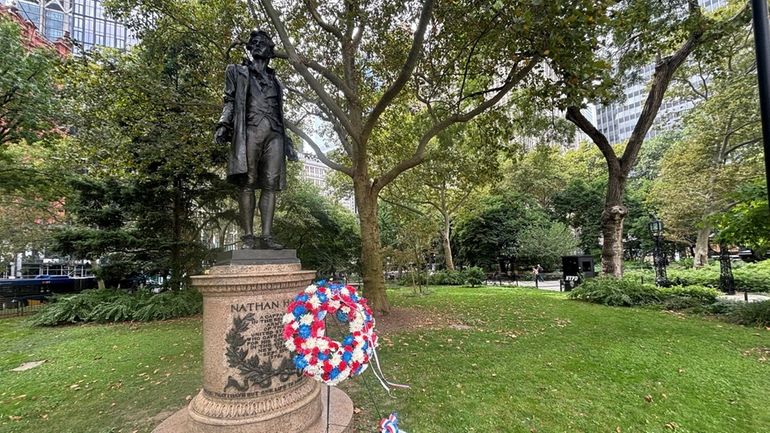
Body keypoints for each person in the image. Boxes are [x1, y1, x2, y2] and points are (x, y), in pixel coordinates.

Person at [215, 30, 298, 250]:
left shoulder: (276, 82)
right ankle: (249, 237)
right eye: (255, 42)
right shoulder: (236, 71)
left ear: (271, 50)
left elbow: (280, 113)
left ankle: (267, 236)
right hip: (249, 131)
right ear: (250, 48)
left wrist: (288, 141)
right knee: (248, 181)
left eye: (263, 42)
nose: (258, 44)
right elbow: (230, 100)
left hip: (274, 134)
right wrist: (223, 124)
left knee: (270, 184)